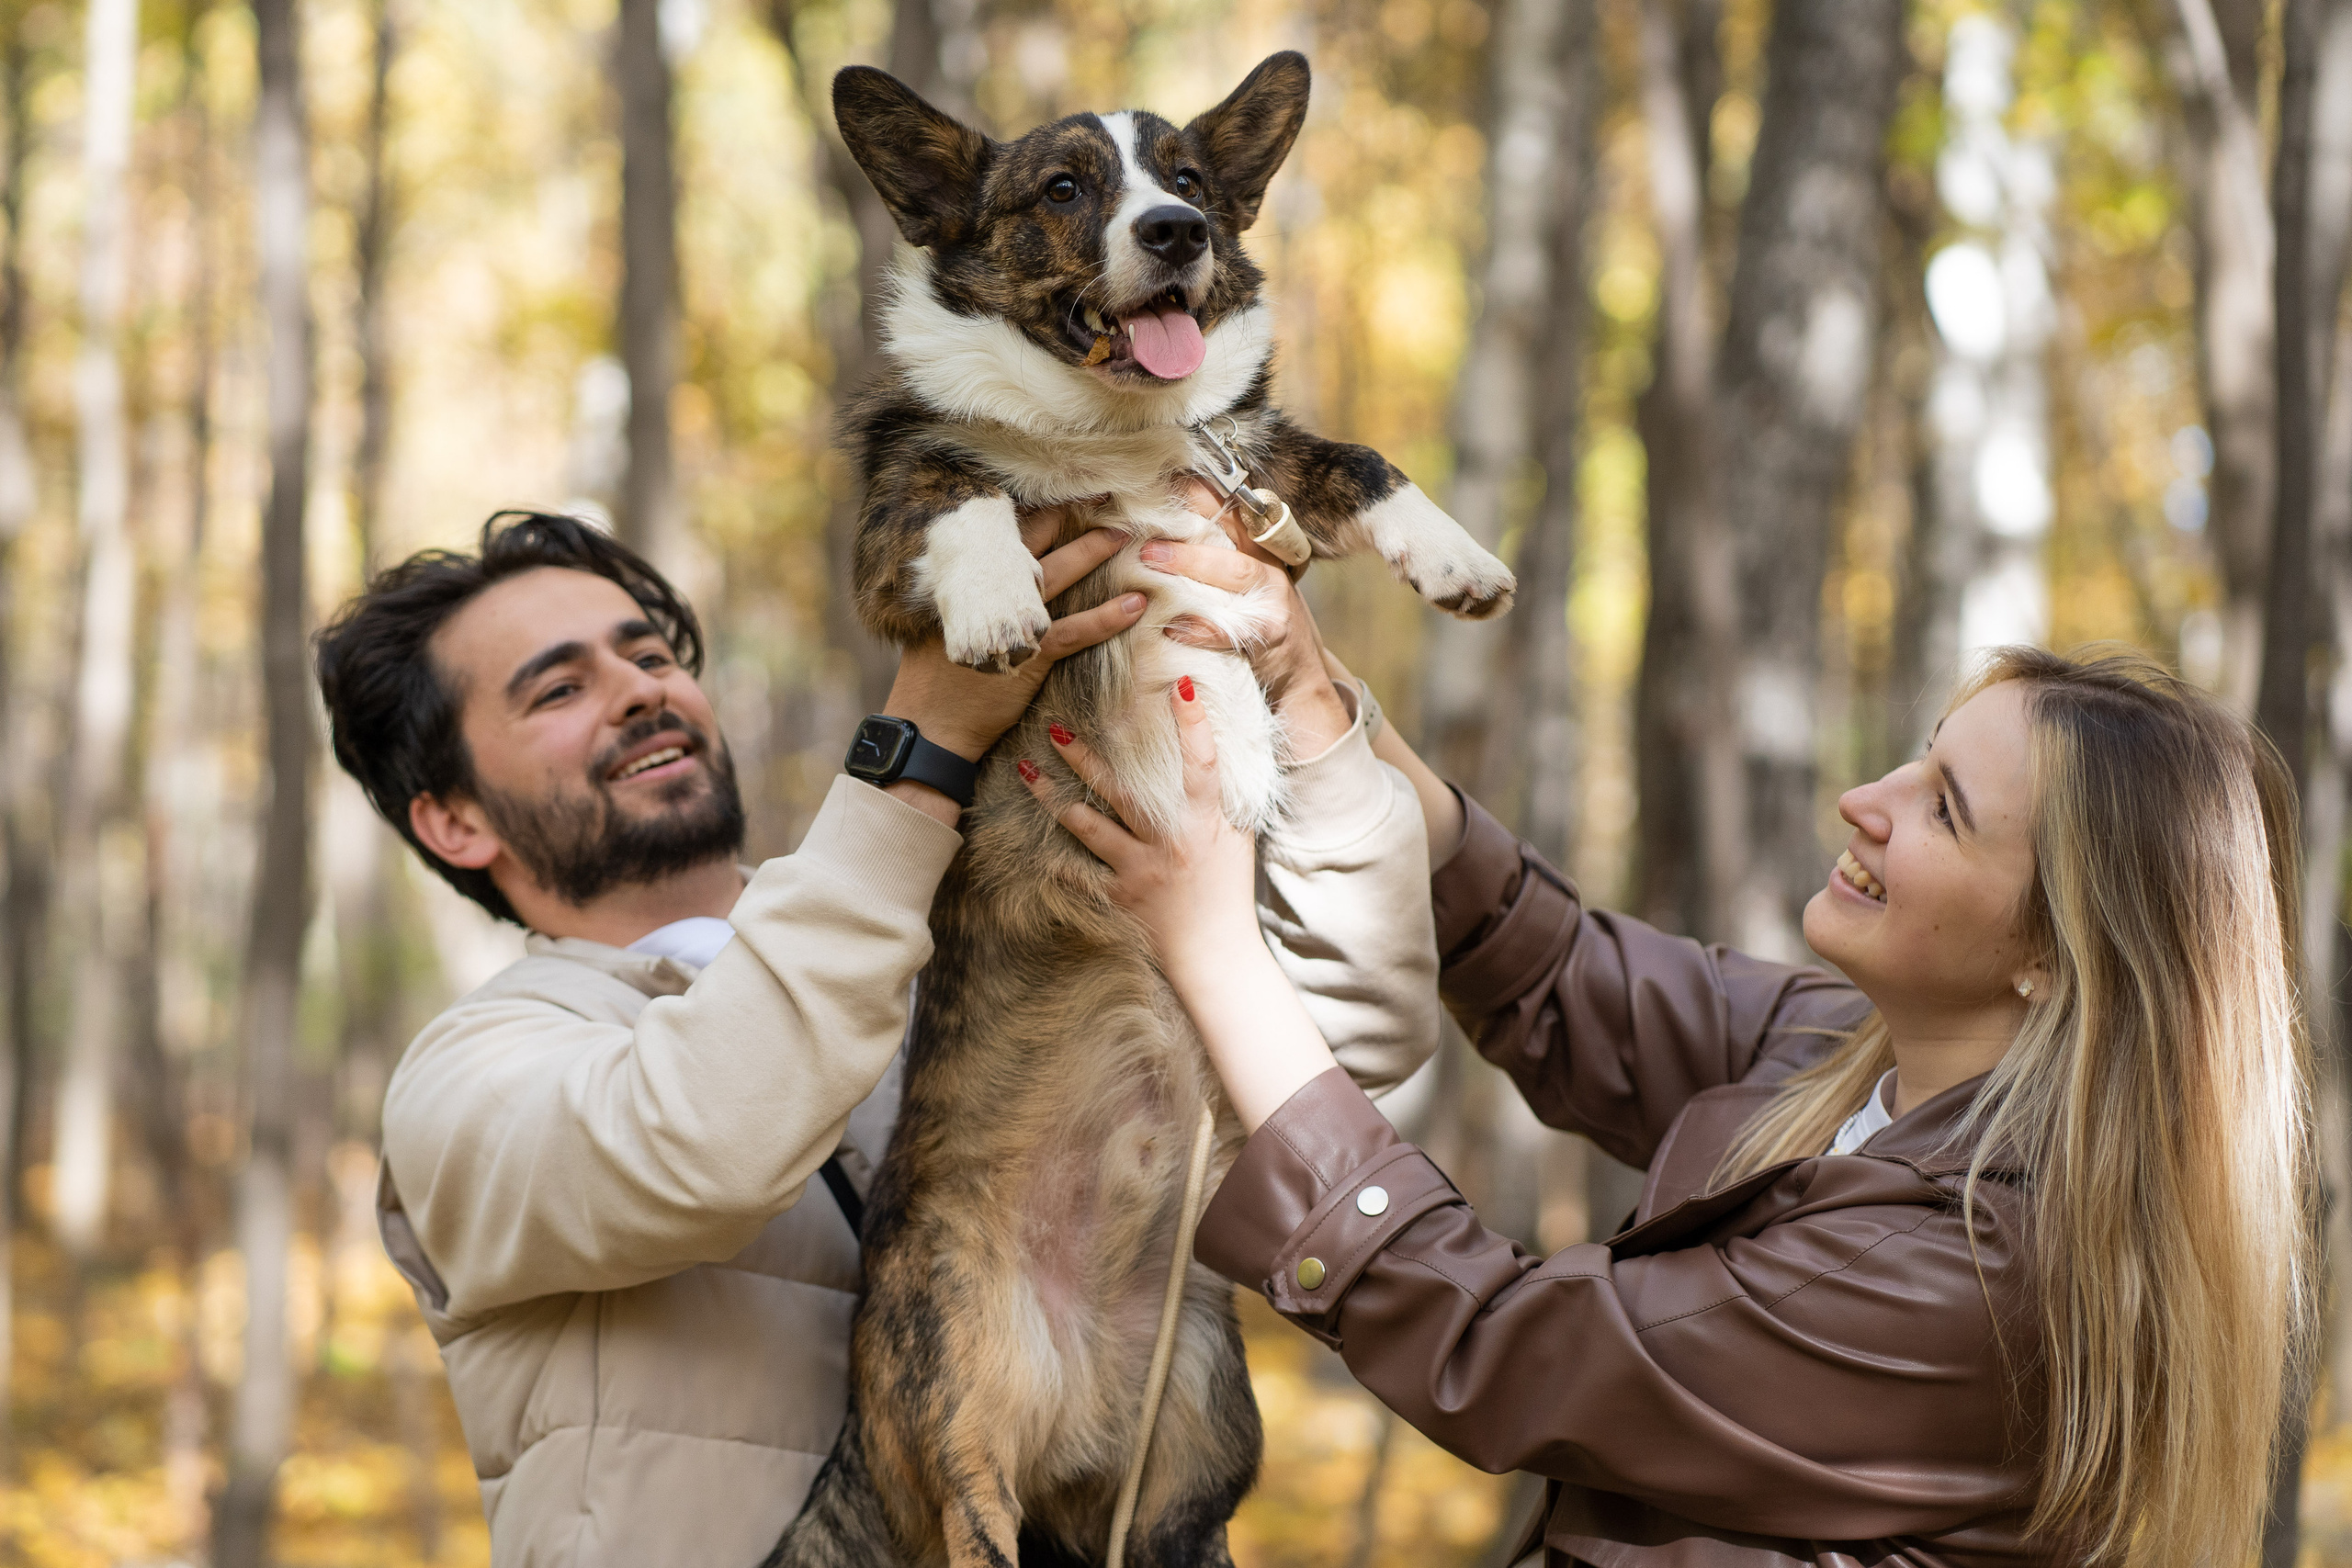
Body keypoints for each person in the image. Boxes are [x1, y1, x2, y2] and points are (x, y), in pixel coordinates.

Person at [314, 502, 1441, 1565]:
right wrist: (925, 741)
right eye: (557, 689)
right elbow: (705, 1136)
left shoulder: (950, 934)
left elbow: (1359, 1043)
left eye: (650, 656)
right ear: (453, 820)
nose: (638, 693)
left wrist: (1303, 692)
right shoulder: (469, 1077)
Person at [1030, 643, 2316, 1568]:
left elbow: (1499, 1340)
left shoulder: (1967, 1276)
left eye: (1944, 809)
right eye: (1920, 755)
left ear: (2054, 954)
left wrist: (1209, 942)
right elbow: (1562, 972)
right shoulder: (1861, 1058)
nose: (1863, 801)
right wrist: (1322, 705)